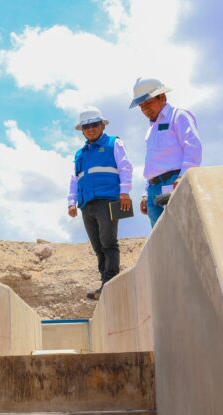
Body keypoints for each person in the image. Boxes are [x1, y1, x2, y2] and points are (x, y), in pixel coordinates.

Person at [67, 107, 133, 300]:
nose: (90, 129)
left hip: (110, 199)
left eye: (94, 125)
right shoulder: (80, 154)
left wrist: (125, 192)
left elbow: (125, 167)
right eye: (86, 126)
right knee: (98, 246)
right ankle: (105, 282)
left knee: (109, 242)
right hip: (87, 203)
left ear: (103, 125)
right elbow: (74, 179)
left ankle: (109, 282)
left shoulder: (115, 143)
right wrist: (71, 202)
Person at [129, 78, 203, 227]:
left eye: (148, 103)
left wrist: (183, 176)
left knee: (179, 230)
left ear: (162, 97)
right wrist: (145, 193)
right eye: (141, 106)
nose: (145, 109)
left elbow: (193, 146)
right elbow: (152, 162)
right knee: (160, 238)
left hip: (173, 182)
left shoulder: (178, 116)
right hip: (153, 189)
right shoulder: (151, 129)